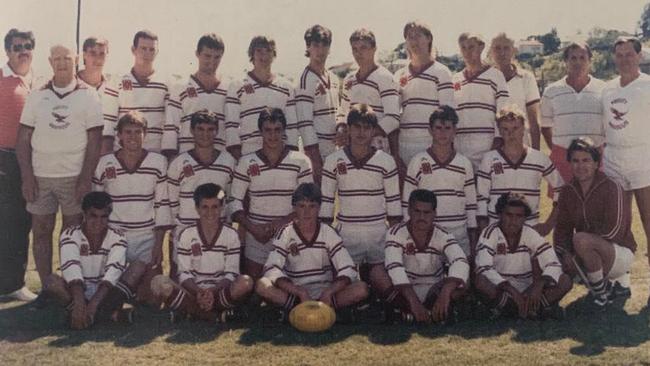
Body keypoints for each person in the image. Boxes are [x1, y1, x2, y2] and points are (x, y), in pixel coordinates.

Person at [16, 44, 103, 305]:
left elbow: (95, 140)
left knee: (71, 234)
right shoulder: (37, 95)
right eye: (57, 58)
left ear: (76, 60)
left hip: (74, 177)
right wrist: (27, 177)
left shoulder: (88, 96)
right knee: (41, 231)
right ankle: (47, 288)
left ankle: (70, 286)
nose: (62, 63)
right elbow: (23, 138)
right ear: (50, 61)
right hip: (41, 176)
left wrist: (85, 178)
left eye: (67, 58)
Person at [92, 111, 172, 303]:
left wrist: (158, 245)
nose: (133, 137)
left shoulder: (158, 162)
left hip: (145, 238)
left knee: (152, 299)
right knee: (104, 288)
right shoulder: (105, 163)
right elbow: (96, 209)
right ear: (119, 135)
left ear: (145, 134)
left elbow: (162, 205)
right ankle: (116, 298)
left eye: (138, 132)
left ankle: (122, 295)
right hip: (114, 237)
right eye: (128, 132)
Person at [256, 183, 368, 318]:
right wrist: (298, 291)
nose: (306, 212)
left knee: (361, 288)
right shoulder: (285, 232)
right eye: (302, 206)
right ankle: (303, 308)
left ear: (319, 208)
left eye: (312, 206)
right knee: (262, 285)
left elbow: (348, 268)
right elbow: (271, 268)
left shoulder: (327, 232)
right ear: (294, 208)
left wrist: (329, 292)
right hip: (296, 292)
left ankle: (311, 309)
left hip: (324, 292)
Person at [230, 108, 313, 279]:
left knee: (290, 286)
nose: (273, 135)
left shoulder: (300, 161)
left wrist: (280, 224)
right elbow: (234, 201)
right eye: (268, 130)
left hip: (291, 234)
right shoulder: (246, 162)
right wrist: (253, 229)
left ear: (284, 131)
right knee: (253, 289)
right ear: (260, 131)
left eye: (277, 130)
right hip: (257, 236)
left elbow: (308, 202)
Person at [320, 104, 402, 278]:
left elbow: (394, 205)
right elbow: (326, 205)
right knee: (345, 284)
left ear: (373, 131)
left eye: (366, 128)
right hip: (347, 234)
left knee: (383, 284)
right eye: (356, 127)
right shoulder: (333, 160)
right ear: (348, 129)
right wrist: (328, 241)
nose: (361, 132)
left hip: (378, 233)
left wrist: (395, 242)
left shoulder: (386, 161)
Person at [151, 183, 253, 321]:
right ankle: (212, 314)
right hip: (193, 291)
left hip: (219, 291)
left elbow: (231, 273)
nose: (210, 212)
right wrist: (199, 291)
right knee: (158, 282)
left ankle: (191, 310)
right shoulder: (186, 234)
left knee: (245, 282)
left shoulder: (231, 235)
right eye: (205, 207)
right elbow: (184, 274)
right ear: (197, 208)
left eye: (215, 207)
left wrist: (212, 291)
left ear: (222, 207)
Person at [44, 192, 146, 329]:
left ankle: (84, 315)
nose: (98, 222)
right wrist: (80, 303)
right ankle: (104, 315)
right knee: (51, 282)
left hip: (105, 294)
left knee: (138, 266)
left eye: (104, 217)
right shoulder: (70, 235)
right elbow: (71, 267)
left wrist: (93, 305)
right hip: (78, 293)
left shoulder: (117, 236)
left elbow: (114, 270)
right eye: (93, 216)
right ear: (84, 214)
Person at [554, 138, 636, 308]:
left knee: (581, 240)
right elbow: (562, 229)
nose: (580, 166)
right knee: (556, 256)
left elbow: (616, 231)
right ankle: (603, 286)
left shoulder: (612, 186)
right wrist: (566, 253)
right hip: (587, 252)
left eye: (586, 160)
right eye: (575, 161)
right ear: (569, 163)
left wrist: (583, 245)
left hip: (619, 253)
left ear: (596, 162)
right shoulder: (568, 191)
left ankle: (600, 295)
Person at [370, 189, 469, 323]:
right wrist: (414, 302)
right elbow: (395, 267)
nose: (422, 217)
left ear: (434, 213)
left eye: (427, 212)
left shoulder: (443, 234)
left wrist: (445, 292)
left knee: (464, 278)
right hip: (405, 291)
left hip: (433, 290)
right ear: (409, 211)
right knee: (377, 272)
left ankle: (409, 314)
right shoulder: (395, 233)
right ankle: (417, 311)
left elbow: (460, 261)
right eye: (417, 211)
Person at [601, 37, 650, 305]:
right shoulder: (607, 89)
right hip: (614, 160)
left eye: (629, 54)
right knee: (618, 224)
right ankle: (621, 281)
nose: (624, 59)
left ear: (639, 56)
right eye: (619, 55)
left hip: (644, 158)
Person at [475, 193, 572, 319]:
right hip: (502, 289)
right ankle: (533, 310)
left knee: (565, 281)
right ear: (500, 215)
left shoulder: (530, 233)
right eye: (509, 215)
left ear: (524, 218)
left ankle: (512, 311)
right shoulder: (489, 233)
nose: (513, 221)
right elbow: (484, 267)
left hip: (528, 290)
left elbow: (553, 263)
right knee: (481, 280)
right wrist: (511, 290)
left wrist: (539, 284)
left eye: (519, 216)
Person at [402, 106, 477, 257]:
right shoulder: (417, 161)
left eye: (447, 128)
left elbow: (471, 205)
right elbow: (406, 203)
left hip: (458, 234)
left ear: (455, 130)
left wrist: (473, 239)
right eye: (438, 128)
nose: (443, 133)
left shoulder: (464, 163)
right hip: (428, 235)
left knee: (460, 279)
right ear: (430, 130)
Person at [477, 106, 563, 237]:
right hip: (497, 229)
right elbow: (481, 198)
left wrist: (548, 225)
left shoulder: (539, 159)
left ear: (524, 129)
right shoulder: (489, 159)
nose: (510, 134)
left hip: (530, 228)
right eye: (505, 129)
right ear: (499, 131)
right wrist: (485, 233)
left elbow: (561, 188)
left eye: (515, 128)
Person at [167, 111, 235, 275]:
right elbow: (172, 202)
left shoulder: (228, 162)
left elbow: (229, 198)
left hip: (217, 232)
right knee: (180, 282)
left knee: (218, 279)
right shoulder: (178, 163)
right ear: (191, 130)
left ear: (217, 131)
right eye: (200, 129)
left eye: (210, 129)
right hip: (185, 232)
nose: (205, 134)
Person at [0, 28, 37, 301]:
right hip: (3, 158)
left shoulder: (37, 82)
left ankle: (13, 283)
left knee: (20, 222)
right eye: (17, 46)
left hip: (29, 161)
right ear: (7, 51)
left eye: (27, 45)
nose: (22, 50)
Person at [337, 28, 403, 180]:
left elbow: (393, 118)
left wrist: (363, 134)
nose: (358, 53)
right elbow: (342, 112)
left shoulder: (385, 77)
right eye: (354, 49)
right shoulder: (349, 80)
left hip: (377, 146)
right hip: (352, 148)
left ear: (374, 49)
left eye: (363, 48)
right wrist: (341, 128)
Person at [224, 36, 301, 161]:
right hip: (248, 153)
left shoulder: (286, 87)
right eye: (259, 51)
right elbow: (231, 125)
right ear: (252, 54)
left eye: (268, 51)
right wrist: (238, 156)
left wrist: (289, 156)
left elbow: (292, 126)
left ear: (274, 55)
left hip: (279, 154)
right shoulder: (237, 85)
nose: (264, 56)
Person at [540, 42, 605, 184]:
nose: (578, 62)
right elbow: (545, 127)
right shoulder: (551, 92)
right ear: (565, 62)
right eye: (573, 58)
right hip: (563, 157)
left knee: (596, 203)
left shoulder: (604, 89)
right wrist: (560, 151)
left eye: (582, 58)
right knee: (562, 203)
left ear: (590, 61)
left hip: (595, 157)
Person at [394, 21, 454, 164]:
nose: (414, 41)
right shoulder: (399, 75)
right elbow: (394, 114)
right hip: (405, 145)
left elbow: (448, 113)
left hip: (432, 145)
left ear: (429, 38)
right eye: (409, 37)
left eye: (418, 36)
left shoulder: (442, 72)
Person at [102, 30, 170, 154]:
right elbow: (109, 122)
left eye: (152, 50)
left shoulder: (166, 84)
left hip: (154, 154)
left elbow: (169, 123)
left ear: (157, 52)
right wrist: (106, 154)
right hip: (123, 154)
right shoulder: (117, 81)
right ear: (133, 50)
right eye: (143, 48)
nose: (147, 53)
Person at [162, 33, 230, 156]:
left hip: (220, 160)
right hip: (188, 157)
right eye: (207, 56)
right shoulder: (181, 87)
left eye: (217, 57)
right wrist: (171, 156)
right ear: (197, 54)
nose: (212, 61)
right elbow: (171, 125)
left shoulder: (228, 88)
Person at [452, 33, 510, 170]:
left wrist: (497, 140)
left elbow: (503, 111)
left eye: (471, 47)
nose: (467, 52)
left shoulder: (496, 76)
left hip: (488, 147)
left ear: (481, 47)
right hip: (461, 150)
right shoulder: (455, 79)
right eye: (463, 48)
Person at [294, 24, 340, 183]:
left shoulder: (333, 78)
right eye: (315, 45)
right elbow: (305, 124)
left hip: (334, 149)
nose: (320, 50)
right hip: (316, 152)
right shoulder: (305, 79)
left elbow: (337, 113)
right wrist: (314, 159)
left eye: (324, 45)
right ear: (308, 47)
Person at [489, 33, 541, 150]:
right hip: (493, 150)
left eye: (506, 48)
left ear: (514, 51)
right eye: (497, 48)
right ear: (491, 51)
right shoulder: (486, 79)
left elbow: (534, 121)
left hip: (522, 148)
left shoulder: (527, 78)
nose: (502, 53)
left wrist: (536, 155)